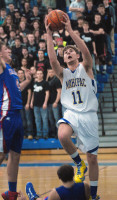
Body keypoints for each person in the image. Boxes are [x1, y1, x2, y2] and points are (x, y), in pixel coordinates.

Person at [45, 14, 100, 200]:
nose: (67, 53)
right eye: (65, 52)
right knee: (62, 135)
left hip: (89, 115)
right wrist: (48, 33)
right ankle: (78, 163)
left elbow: (86, 52)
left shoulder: (87, 67)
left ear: (76, 55)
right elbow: (53, 61)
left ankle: (92, 195)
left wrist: (69, 31)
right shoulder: (63, 74)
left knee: (92, 158)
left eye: (71, 51)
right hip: (72, 113)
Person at [0, 17, 31, 200]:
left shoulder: (11, 69)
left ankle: (11, 193)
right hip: (6, 115)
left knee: (15, 156)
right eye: (7, 49)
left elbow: (16, 91)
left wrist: (27, 80)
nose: (10, 50)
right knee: (0, 153)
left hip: (17, 116)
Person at [18, 164, 90, 200]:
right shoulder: (85, 185)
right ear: (73, 174)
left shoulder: (56, 192)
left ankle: (33, 198)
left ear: (59, 177)